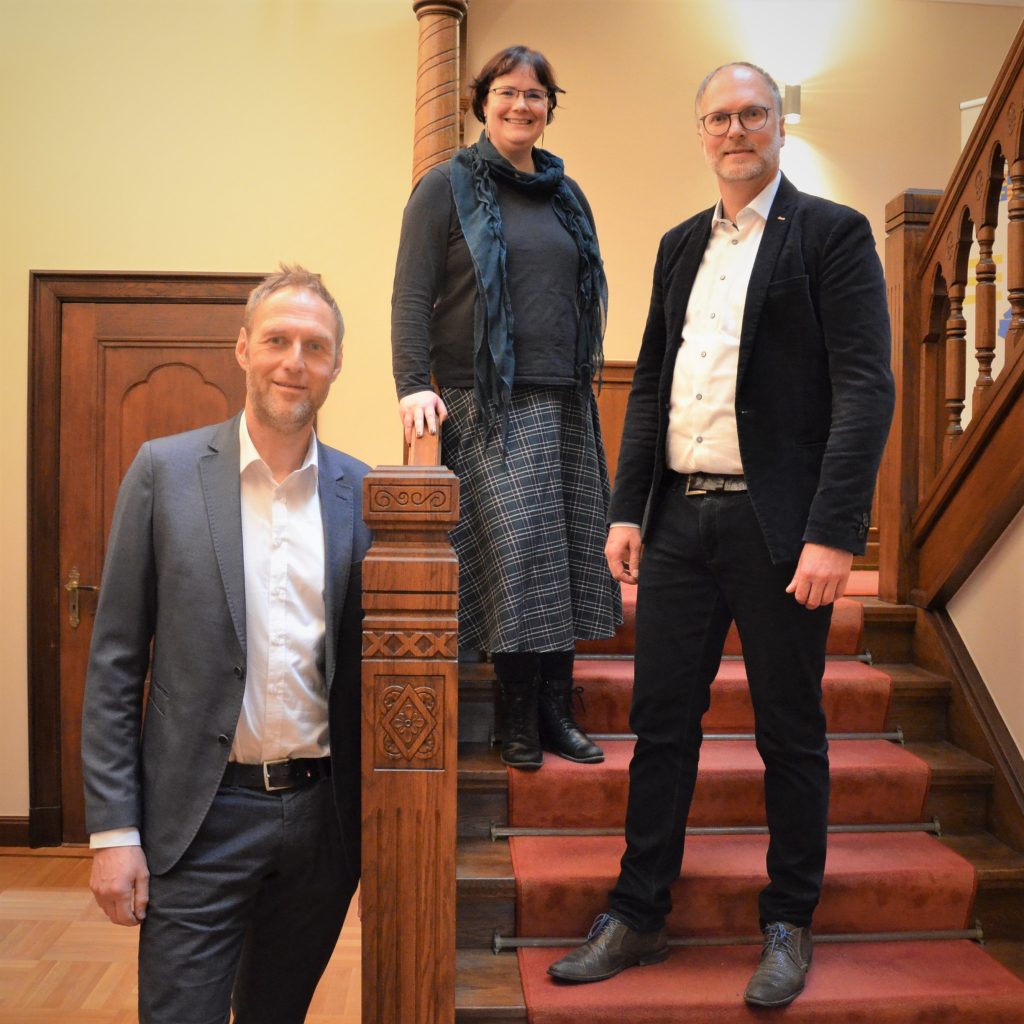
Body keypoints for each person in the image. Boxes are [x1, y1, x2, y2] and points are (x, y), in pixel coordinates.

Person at [547, 63, 894, 1008]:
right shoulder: (678, 245)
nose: (734, 131)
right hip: (677, 523)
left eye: (750, 114)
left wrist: (835, 532)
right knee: (661, 724)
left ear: (779, 124)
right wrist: (627, 508)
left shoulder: (830, 233)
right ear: (699, 132)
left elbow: (866, 389)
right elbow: (651, 386)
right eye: (717, 118)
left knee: (790, 729)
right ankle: (639, 911)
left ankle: (789, 920)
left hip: (780, 529)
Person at [81, 265, 371, 1024]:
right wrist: (114, 831)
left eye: (315, 346)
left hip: (321, 826)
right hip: (198, 822)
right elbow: (115, 664)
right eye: (277, 340)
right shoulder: (164, 472)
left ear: (336, 364)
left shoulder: (364, 495)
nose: (294, 362)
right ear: (243, 348)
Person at [391, 44, 621, 770]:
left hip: (566, 397)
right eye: (508, 92)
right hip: (486, 400)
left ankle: (556, 711)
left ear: (550, 108)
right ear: (482, 101)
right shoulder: (445, 185)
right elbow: (411, 294)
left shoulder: (567, 193)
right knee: (520, 556)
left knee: (569, 554)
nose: (522, 105)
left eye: (536, 94)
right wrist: (411, 383)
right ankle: (516, 716)